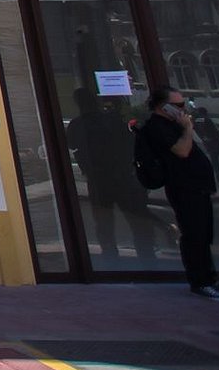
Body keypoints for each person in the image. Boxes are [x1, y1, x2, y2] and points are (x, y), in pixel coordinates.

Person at [139, 85, 219, 301]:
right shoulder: (157, 126)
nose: (183, 109)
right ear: (164, 107)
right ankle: (200, 282)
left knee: (203, 234)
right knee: (193, 236)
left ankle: (210, 278)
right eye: (178, 105)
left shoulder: (172, 124)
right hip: (183, 187)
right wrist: (188, 128)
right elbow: (182, 151)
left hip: (197, 187)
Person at [65, 87, 164, 262]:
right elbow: (131, 142)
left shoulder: (78, 125)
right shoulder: (111, 120)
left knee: (105, 223)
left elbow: (72, 146)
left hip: (100, 180)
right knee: (135, 220)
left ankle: (112, 257)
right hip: (120, 177)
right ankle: (146, 256)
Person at [191, 105, 219, 188]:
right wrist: (208, 136)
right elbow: (203, 128)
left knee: (215, 163)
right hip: (217, 144)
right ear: (204, 113)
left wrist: (205, 137)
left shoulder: (196, 122)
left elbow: (197, 128)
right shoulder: (204, 119)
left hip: (209, 145)